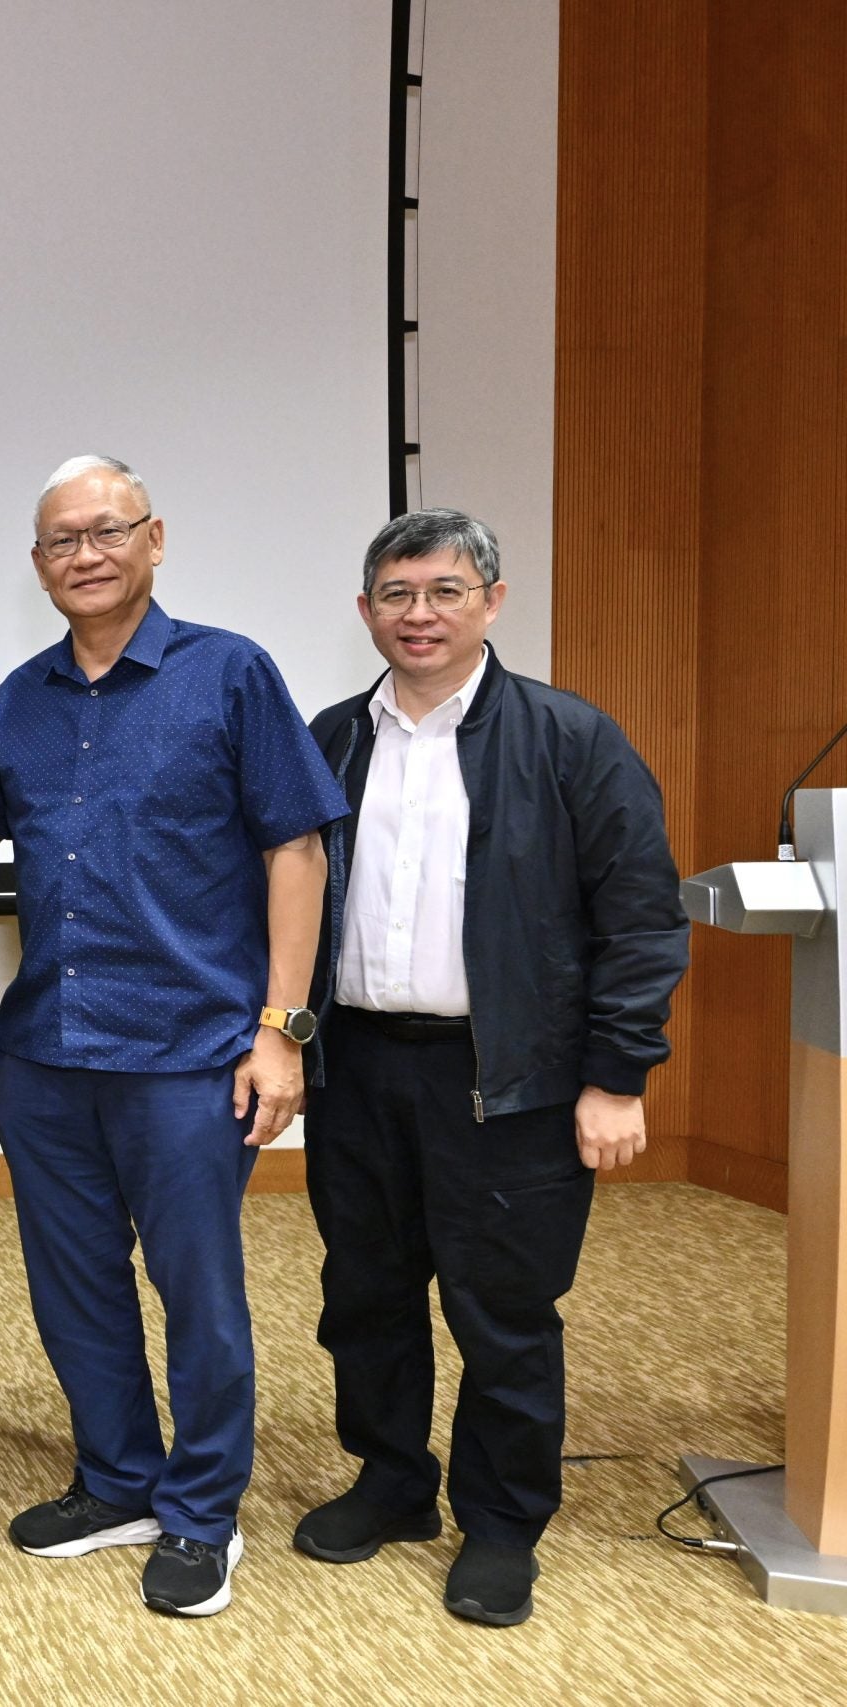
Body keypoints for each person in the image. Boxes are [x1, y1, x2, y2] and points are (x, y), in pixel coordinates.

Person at [0, 455, 345, 1618]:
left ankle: (199, 1511)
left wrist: (279, 1030)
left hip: (191, 1053)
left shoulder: (228, 673)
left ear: (154, 538)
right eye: (60, 542)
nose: (84, 554)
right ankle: (118, 1479)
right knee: (73, 1287)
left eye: (106, 530)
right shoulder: (18, 701)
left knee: (198, 1290)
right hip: (48, 1054)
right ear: (37, 567)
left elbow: (297, 848)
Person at [296, 509, 686, 1626]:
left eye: (445, 591)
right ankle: (390, 1483)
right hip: (358, 1067)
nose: (419, 615)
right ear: (364, 608)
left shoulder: (571, 739)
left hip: (508, 1078)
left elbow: (641, 921)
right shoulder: (329, 740)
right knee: (364, 1295)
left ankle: (503, 1523)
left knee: (502, 1309)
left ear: (492, 604)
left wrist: (617, 1077)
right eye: (397, 594)